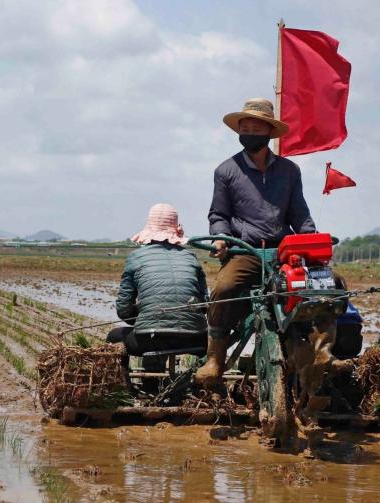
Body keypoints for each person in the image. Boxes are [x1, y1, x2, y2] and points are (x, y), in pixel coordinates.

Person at [195, 98, 316, 384]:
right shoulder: (226, 170)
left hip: (283, 250)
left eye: (255, 127)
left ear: (268, 132)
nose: (249, 131)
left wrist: (311, 238)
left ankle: (316, 350)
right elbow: (219, 213)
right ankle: (215, 358)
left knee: (324, 284)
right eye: (244, 126)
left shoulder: (289, 171)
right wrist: (221, 239)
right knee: (225, 288)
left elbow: (299, 213)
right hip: (245, 250)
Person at [108, 203, 208, 364]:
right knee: (210, 340)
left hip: (149, 339)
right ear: (176, 228)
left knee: (114, 337)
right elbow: (204, 305)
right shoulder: (190, 257)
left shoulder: (136, 257)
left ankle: (126, 385)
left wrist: (146, 316)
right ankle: (199, 383)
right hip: (194, 338)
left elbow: (124, 310)